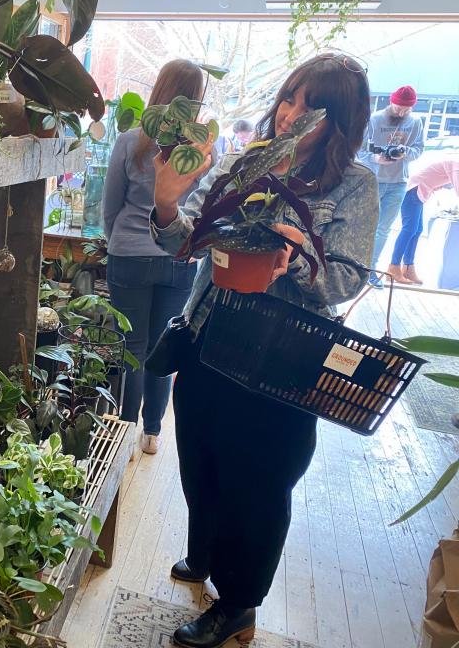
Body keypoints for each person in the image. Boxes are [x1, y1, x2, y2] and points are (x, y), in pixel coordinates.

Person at [151, 53, 377, 648]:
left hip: (281, 363)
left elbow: (349, 279)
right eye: (291, 97)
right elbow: (189, 244)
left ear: (343, 122)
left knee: (258, 484)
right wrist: (169, 202)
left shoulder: (356, 186)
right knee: (199, 460)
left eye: (314, 107)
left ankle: (237, 607)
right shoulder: (244, 163)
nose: (292, 114)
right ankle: (203, 554)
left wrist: (301, 255)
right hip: (207, 341)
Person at [103, 59, 207, 456]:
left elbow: (111, 205)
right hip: (179, 257)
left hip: (128, 255)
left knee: (131, 344)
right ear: (196, 101)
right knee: (163, 345)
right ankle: (151, 433)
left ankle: (123, 432)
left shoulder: (131, 140)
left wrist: (121, 242)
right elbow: (201, 210)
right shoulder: (202, 150)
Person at [357, 85, 425, 286]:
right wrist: (375, 158)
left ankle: (372, 269)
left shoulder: (415, 122)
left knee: (384, 229)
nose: (401, 112)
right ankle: (357, 266)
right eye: (398, 107)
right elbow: (359, 151)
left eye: (406, 109)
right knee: (366, 225)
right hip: (374, 180)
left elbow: (419, 149)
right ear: (391, 101)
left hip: (399, 183)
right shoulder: (375, 119)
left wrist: (405, 153)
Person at [389, 158, 459, 284]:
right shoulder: (456, 165)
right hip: (414, 190)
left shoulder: (454, 165)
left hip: (418, 192)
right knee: (409, 229)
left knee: (416, 230)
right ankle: (393, 268)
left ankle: (408, 268)